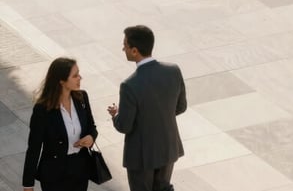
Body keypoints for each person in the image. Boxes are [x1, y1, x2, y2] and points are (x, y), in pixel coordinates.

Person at [108, 25, 187, 191]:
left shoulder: (130, 85)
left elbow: (124, 126)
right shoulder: (173, 71)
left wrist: (116, 115)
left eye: (125, 45)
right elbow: (181, 107)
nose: (123, 49)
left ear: (135, 51)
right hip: (167, 147)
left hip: (141, 155)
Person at [22, 57, 97, 191]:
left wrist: (91, 138)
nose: (80, 78)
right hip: (54, 175)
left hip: (80, 170)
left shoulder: (82, 98)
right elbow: (34, 148)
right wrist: (28, 184)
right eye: (75, 76)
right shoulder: (42, 109)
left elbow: (92, 127)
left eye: (78, 73)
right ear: (61, 81)